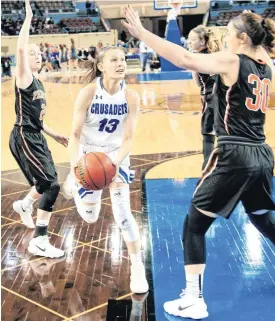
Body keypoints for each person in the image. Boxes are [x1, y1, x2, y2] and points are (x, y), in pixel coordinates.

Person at [122, 7, 275, 319]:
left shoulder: (234, 60)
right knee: (261, 218)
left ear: (242, 39)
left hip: (234, 154)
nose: (226, 40)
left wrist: (143, 34)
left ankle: (194, 298)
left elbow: (186, 59)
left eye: (229, 35)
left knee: (194, 224)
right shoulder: (268, 65)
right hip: (262, 153)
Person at [62, 45, 149, 294]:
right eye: (114, 60)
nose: (120, 63)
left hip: (116, 156)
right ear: (101, 65)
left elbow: (129, 138)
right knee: (90, 217)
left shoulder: (131, 97)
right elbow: (75, 135)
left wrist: (113, 163)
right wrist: (76, 168)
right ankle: (74, 183)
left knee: (123, 214)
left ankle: (137, 266)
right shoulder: (88, 93)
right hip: (88, 155)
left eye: (123, 59)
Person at [9, 0, 68, 258]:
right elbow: (20, 49)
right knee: (51, 184)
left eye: (39, 53)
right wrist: (28, 19)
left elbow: (39, 119)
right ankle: (39, 240)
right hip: (23, 136)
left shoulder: (39, 84)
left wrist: (54, 134)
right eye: (34, 53)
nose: (37, 55)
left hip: (36, 135)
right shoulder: (24, 77)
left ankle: (24, 205)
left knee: (48, 181)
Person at [188, 25, 223, 169]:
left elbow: (197, 82)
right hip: (225, 96)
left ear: (202, 41)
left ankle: (207, 168)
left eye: (192, 40)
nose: (189, 42)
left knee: (208, 135)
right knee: (224, 133)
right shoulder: (218, 54)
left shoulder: (197, 58)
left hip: (210, 97)